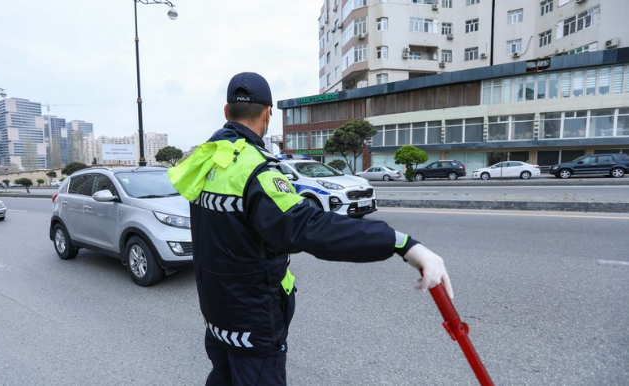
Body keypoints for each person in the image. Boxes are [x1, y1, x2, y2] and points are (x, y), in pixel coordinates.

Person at [168, 72, 453, 386]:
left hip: (216, 316)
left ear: (226, 112)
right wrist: (400, 242)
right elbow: (307, 226)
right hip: (252, 324)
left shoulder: (204, 162)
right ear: (267, 114)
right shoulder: (255, 169)